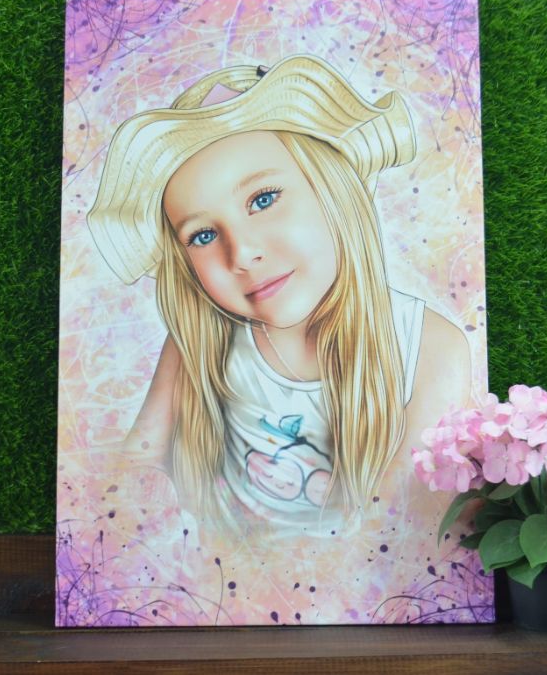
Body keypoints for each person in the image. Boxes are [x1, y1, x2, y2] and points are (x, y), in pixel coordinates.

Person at [88, 55, 471, 536]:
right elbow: (133, 468)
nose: (242, 253)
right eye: (203, 235)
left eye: (263, 200)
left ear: (333, 189)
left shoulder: (431, 348)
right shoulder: (202, 340)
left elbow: (405, 525)